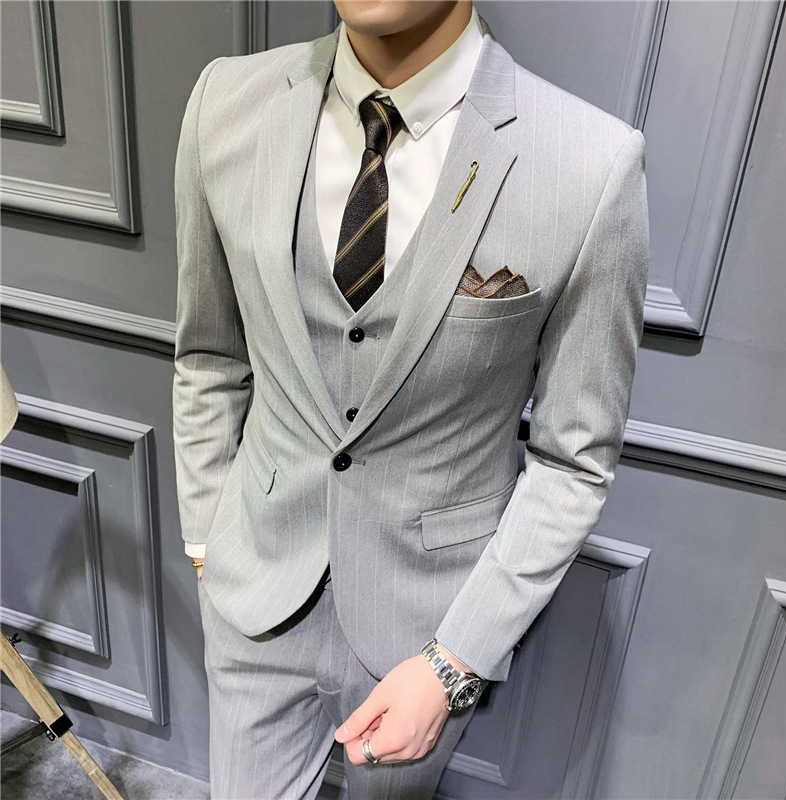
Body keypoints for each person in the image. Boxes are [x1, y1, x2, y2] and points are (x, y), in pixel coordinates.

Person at [172, 1, 649, 797]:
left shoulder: (591, 163)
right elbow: (208, 355)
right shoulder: (226, 102)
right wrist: (204, 544)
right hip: (254, 584)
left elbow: (573, 463)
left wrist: (455, 662)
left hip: (430, 625)